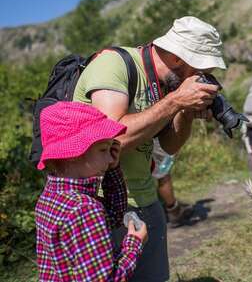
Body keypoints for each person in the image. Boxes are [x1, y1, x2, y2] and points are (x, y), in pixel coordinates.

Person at [73, 16, 226, 281]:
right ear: (180, 58)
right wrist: (175, 101)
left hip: (146, 199)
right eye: (199, 70)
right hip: (100, 205)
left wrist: (186, 110)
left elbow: (169, 145)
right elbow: (107, 141)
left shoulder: (166, 84)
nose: (200, 78)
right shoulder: (114, 65)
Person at [35, 101, 148, 281]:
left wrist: (112, 169)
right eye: (103, 149)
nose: (110, 156)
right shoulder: (84, 208)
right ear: (73, 154)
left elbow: (112, 216)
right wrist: (134, 244)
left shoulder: (51, 196)